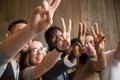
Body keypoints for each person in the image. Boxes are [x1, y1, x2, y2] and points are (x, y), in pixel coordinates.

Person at [0, 0, 61, 80]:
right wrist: (31, 30)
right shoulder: (2, 56)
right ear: (8, 35)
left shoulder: (18, 68)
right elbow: (3, 54)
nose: (28, 39)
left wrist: (59, 49)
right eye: (21, 32)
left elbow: (44, 66)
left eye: (30, 37)